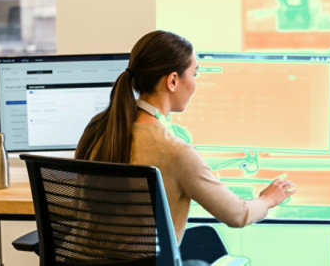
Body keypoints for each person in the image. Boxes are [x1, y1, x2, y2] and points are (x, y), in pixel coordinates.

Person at [75, 30, 296, 263]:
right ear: (172, 81)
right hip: (144, 259)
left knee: (205, 239)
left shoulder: (100, 126)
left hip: (87, 259)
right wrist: (269, 199)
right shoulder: (175, 151)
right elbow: (238, 215)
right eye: (195, 74)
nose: (195, 83)